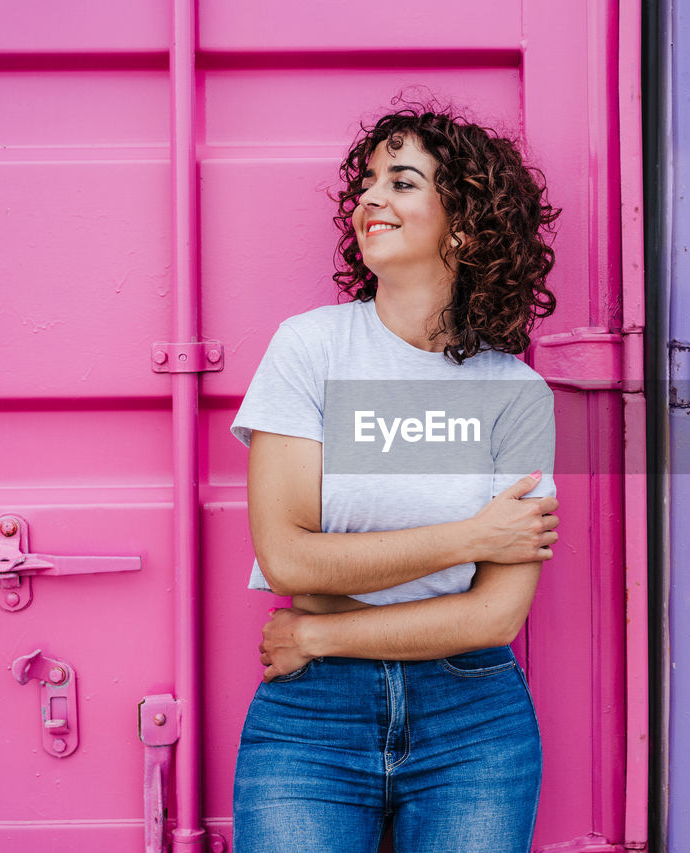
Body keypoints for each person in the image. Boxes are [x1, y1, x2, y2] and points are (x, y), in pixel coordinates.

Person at [229, 106, 562, 853]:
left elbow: (493, 619)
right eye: (368, 182)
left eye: (401, 182)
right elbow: (288, 557)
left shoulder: (515, 394)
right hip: (313, 720)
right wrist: (473, 537)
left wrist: (317, 631)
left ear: (465, 226)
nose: (369, 198)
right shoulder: (309, 349)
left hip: (472, 721)